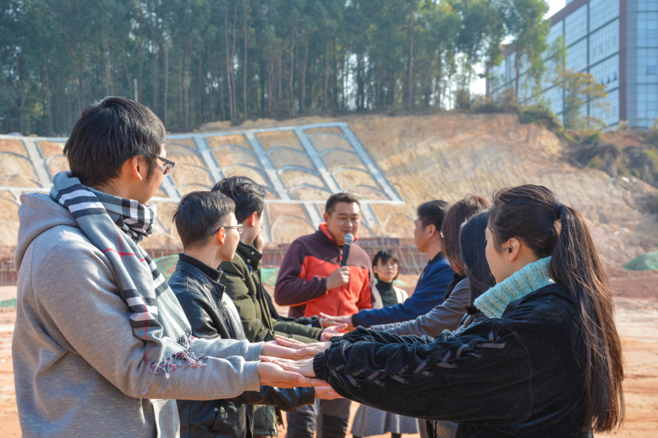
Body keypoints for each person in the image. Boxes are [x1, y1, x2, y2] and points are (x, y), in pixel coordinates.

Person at [11, 97, 317, 438]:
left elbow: (176, 348)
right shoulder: (68, 253)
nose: (164, 176)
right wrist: (253, 373)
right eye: (164, 164)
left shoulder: (109, 239)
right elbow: (140, 368)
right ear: (138, 165)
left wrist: (259, 352)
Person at [265, 184, 625, 437]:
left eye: (486, 243)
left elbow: (435, 368)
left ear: (511, 248)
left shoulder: (535, 323)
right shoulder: (547, 309)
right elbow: (444, 348)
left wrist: (334, 360)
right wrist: (341, 348)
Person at [168, 191, 339, 438]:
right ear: (222, 234)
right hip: (205, 428)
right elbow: (221, 372)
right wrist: (305, 388)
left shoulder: (211, 286)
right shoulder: (188, 294)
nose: (240, 234)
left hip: (222, 423)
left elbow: (239, 354)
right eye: (236, 227)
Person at [212, 176, 345, 437]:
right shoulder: (231, 263)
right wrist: (318, 346)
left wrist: (319, 333)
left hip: (254, 390)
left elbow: (267, 322)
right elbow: (255, 333)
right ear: (254, 218)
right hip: (245, 396)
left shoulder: (242, 262)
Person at [274, 192, 380, 438]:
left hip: (344, 350)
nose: (349, 224)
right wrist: (325, 284)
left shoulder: (362, 258)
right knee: (303, 422)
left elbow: (367, 308)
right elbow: (282, 293)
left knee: (335, 425)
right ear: (326, 217)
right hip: (305, 346)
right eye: (342, 217)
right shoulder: (303, 247)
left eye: (355, 218)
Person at [320, 200, 455, 329]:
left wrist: (357, 320)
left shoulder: (445, 269)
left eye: (416, 226)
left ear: (430, 230)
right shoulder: (437, 265)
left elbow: (412, 312)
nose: (413, 233)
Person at [370, 195, 489, 337]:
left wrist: (367, 334)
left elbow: (427, 323)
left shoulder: (462, 280)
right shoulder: (470, 280)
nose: (445, 243)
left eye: (446, 236)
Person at [350, 250, 418, 438]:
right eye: (384, 264)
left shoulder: (402, 294)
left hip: (397, 352)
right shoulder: (369, 293)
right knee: (368, 397)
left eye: (393, 264)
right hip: (373, 352)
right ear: (375, 269)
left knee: (398, 397)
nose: (390, 268)